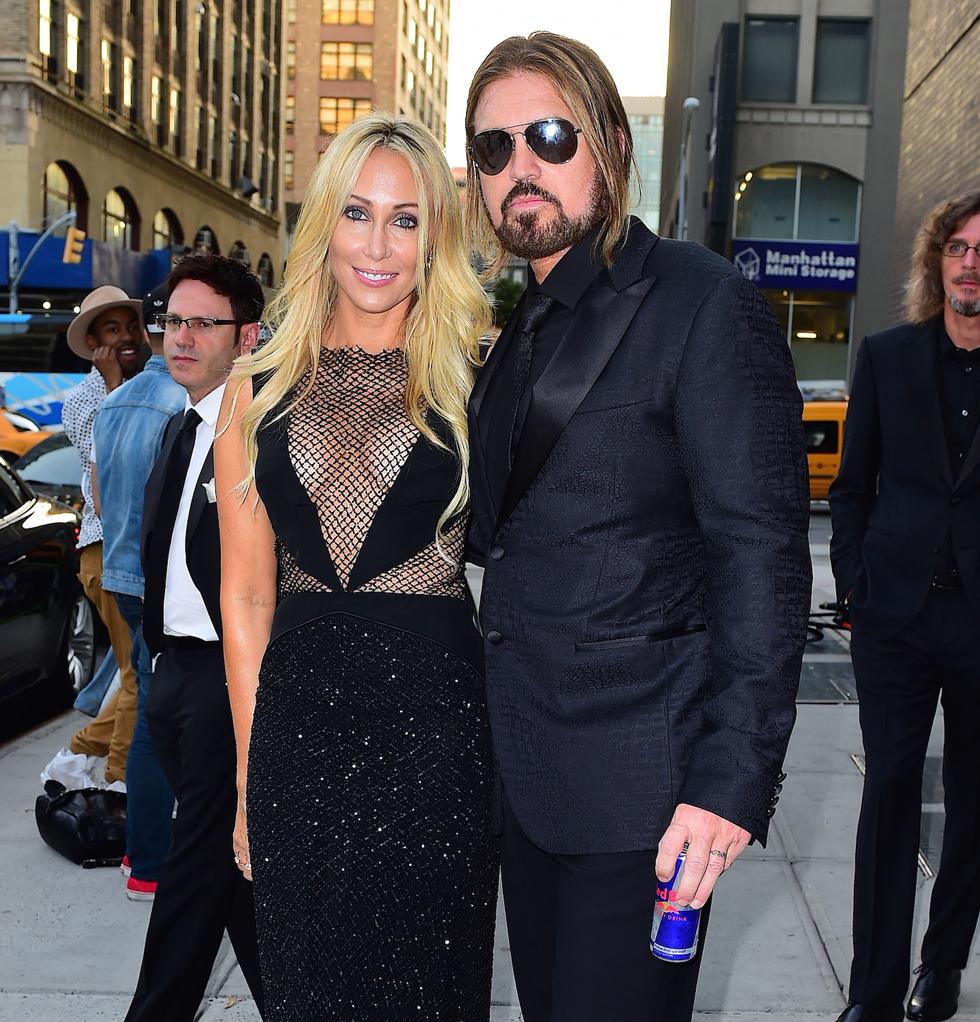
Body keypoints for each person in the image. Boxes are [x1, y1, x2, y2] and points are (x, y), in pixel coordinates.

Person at [463, 32, 812, 1022]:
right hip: (527, 782)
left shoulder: (703, 304)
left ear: (610, 144)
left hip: (646, 802)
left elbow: (761, 558)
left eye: (546, 135)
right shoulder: (518, 326)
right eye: (492, 150)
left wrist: (727, 786)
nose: (518, 168)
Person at [214, 115, 497, 1020]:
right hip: (297, 749)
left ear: (436, 239)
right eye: (357, 213)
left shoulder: (475, 381)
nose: (379, 245)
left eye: (407, 220)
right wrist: (252, 782)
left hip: (438, 751)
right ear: (322, 225)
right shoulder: (252, 388)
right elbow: (248, 593)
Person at [829, 191, 980, 1022]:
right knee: (888, 793)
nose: (969, 263)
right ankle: (873, 991)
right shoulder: (887, 357)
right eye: (957, 247)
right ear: (937, 262)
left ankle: (943, 968)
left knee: (973, 804)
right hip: (896, 616)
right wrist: (853, 582)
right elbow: (852, 489)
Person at [125, 256, 265, 1021]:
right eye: (173, 321)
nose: (180, 337)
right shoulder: (180, 425)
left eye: (200, 323)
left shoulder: (255, 430)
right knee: (225, 873)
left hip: (225, 678)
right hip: (173, 672)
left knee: (190, 873)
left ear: (245, 336)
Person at [90, 283, 185, 900]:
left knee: (151, 708)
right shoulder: (184, 401)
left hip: (123, 573)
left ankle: (144, 859)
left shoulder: (117, 401)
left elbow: (100, 498)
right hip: (165, 582)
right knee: (164, 717)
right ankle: (152, 861)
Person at [62, 285, 143, 784]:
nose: (127, 337)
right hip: (105, 550)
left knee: (138, 669)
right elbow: (105, 469)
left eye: (131, 326)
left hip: (127, 551)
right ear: (94, 342)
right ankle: (116, 783)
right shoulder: (83, 399)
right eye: (112, 330)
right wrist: (113, 382)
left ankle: (79, 752)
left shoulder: (147, 383)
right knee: (137, 673)